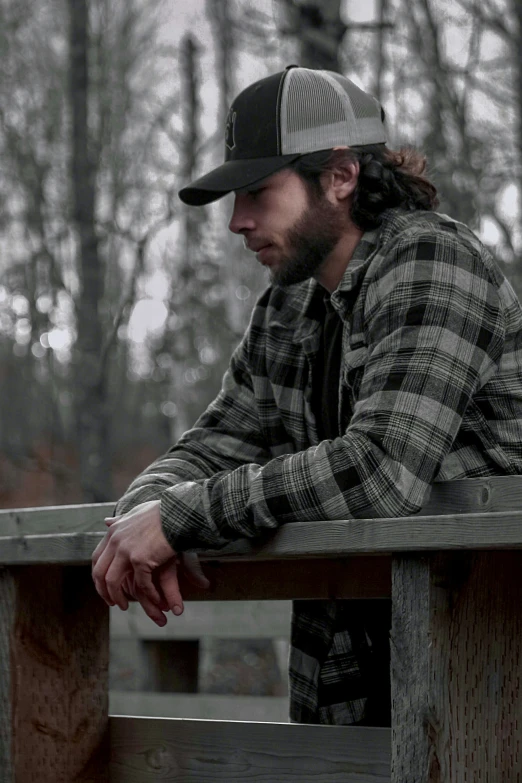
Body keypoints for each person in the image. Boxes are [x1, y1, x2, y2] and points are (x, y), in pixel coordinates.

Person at [92, 65, 522, 726]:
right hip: (346, 679)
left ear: (341, 175)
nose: (238, 221)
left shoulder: (433, 261)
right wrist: (145, 509)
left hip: (483, 680)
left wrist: (182, 518)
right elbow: (218, 440)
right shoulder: (288, 306)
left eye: (259, 192)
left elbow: (381, 469)